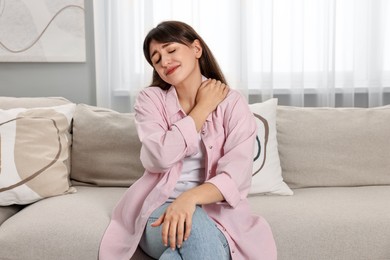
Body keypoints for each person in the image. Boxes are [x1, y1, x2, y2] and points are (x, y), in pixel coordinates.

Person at [99, 20, 277, 260]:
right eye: (156, 58)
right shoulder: (150, 100)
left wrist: (189, 199)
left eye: (171, 50)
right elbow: (159, 158)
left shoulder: (232, 103)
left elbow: (237, 176)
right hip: (158, 211)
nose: (164, 61)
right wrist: (202, 108)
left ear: (196, 49)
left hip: (220, 217)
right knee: (195, 225)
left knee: (179, 253)